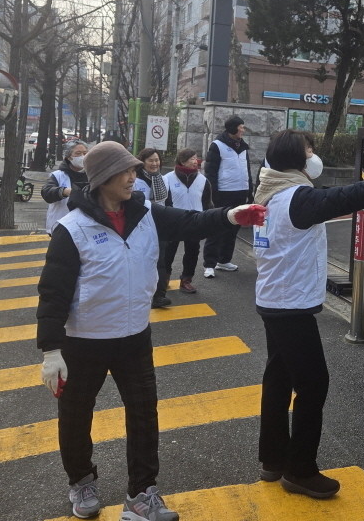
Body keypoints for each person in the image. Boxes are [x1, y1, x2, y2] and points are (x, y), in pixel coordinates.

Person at [36, 140, 265, 521]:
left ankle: (141, 495)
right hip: (84, 341)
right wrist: (51, 351)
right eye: (125, 171)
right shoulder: (72, 229)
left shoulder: (146, 214)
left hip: (134, 337)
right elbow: (53, 293)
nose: (133, 177)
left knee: (144, 415)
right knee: (76, 416)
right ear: (102, 178)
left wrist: (230, 215)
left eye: (133, 170)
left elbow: (191, 221)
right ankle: (81, 480)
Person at [253, 130, 364, 499]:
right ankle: (299, 470)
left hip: (272, 298)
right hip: (290, 306)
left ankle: (273, 459)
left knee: (278, 378)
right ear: (298, 159)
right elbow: (352, 196)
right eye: (309, 151)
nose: (313, 156)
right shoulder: (297, 197)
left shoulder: (268, 191)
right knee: (313, 384)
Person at [202, 115, 253, 278]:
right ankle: (209, 264)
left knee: (233, 228)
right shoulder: (217, 145)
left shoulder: (243, 147)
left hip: (241, 192)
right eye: (241, 127)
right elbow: (210, 172)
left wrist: (250, 191)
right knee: (217, 227)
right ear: (233, 128)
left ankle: (224, 261)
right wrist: (213, 194)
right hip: (223, 193)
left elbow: (247, 170)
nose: (243, 130)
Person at [163, 149, 212, 294]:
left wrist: (206, 221)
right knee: (168, 252)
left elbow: (207, 203)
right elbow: (164, 202)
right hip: (173, 220)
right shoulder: (167, 178)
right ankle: (164, 278)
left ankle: (186, 280)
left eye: (196, 158)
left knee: (192, 252)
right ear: (182, 161)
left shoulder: (203, 180)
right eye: (192, 159)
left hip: (195, 220)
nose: (195, 161)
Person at [134, 148, 173, 308]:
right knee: (139, 260)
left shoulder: (163, 179)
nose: (155, 163)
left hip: (160, 225)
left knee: (160, 261)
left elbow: (169, 203)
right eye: (150, 160)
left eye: (157, 160)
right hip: (139, 226)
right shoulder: (135, 180)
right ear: (142, 162)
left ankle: (159, 296)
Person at [40, 139, 89, 235]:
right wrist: (65, 191)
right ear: (69, 157)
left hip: (86, 228)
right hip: (61, 227)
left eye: (85, 153)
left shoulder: (92, 175)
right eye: (78, 153)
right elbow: (47, 192)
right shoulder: (58, 175)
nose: (82, 157)